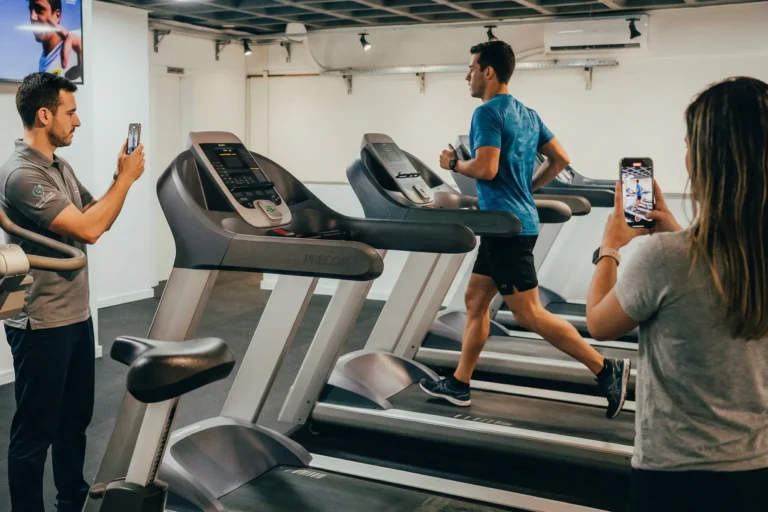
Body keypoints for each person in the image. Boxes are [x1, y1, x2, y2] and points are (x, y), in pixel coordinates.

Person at [419, 40, 631, 418]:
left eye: (471, 68)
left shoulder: (486, 113)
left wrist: (453, 163)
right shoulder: (527, 114)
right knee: (475, 300)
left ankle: (605, 368)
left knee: (528, 313)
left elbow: (485, 169)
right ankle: (460, 383)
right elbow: (560, 158)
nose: (467, 76)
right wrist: (528, 188)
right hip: (506, 224)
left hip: (506, 228)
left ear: (488, 72)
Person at [586, 76, 768, 511]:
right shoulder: (701, 255)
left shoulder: (666, 257)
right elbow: (720, 270)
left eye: (688, 144)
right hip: (758, 469)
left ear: (704, 161)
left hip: (677, 477)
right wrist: (677, 232)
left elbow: (599, 322)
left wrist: (610, 246)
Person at [0, 72, 145, 512]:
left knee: (74, 422)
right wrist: (126, 181)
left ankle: (71, 500)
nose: (77, 121)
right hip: (41, 321)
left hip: (76, 315)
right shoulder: (22, 174)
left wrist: (119, 178)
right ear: (45, 116)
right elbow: (89, 229)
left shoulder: (59, 167)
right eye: (71, 112)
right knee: (35, 432)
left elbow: (93, 216)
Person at [28, 0, 83, 81]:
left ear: (57, 15)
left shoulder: (79, 38)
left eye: (39, 9)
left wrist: (87, 54)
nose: (32, 17)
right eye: (31, 10)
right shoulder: (42, 61)